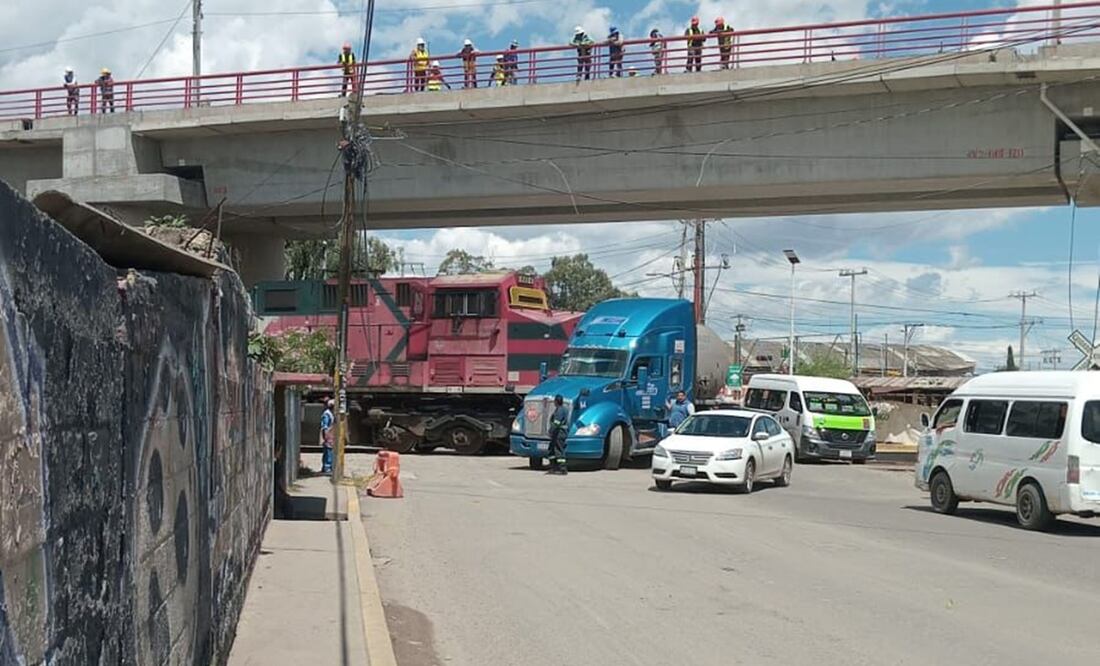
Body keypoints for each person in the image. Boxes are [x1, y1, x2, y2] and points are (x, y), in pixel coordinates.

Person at [547, 394, 569, 475]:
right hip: (559, 432)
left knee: (558, 450)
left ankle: (562, 468)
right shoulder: (564, 409)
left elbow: (556, 422)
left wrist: (551, 431)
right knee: (551, 450)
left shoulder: (559, 410)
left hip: (559, 433)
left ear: (556, 401)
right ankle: (553, 467)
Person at [320, 398, 335, 474]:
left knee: (329, 451)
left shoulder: (330, 413)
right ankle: (327, 467)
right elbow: (325, 426)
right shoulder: (327, 414)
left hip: (331, 435)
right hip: (328, 435)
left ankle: (326, 467)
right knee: (328, 451)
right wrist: (326, 436)